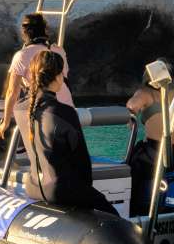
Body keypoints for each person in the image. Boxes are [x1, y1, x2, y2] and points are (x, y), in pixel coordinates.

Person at [20, 49, 115, 214]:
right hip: (60, 192)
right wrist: (85, 192)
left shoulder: (20, 108)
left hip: (32, 186)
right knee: (111, 214)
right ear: (57, 77)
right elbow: (83, 163)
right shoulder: (64, 113)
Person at [124, 60, 174, 215]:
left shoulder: (144, 93)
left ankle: (132, 210)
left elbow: (131, 106)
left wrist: (131, 115)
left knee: (133, 160)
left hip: (158, 155)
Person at [0, 13, 71, 141]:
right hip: (68, 110)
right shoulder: (58, 51)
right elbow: (64, 78)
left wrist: (6, 122)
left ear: (25, 32)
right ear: (45, 30)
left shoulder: (22, 55)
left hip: (45, 111)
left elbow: (12, 92)